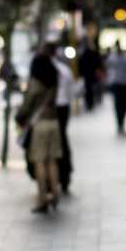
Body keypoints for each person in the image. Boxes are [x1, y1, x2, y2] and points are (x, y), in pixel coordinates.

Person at [16, 48, 63, 213]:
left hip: (40, 125)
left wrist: (20, 116)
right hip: (54, 123)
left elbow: (27, 104)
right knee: (52, 161)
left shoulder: (36, 82)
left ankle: (42, 198)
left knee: (39, 162)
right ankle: (55, 195)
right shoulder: (54, 80)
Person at [50, 43, 75, 193]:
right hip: (63, 106)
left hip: (55, 108)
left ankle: (62, 175)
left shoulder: (53, 69)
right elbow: (70, 93)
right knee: (62, 140)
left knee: (57, 142)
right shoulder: (64, 70)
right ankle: (64, 175)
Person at [105, 43, 126, 134]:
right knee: (118, 105)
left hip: (124, 83)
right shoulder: (112, 58)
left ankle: (122, 123)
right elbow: (107, 67)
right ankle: (119, 124)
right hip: (117, 84)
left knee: (124, 105)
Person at [78, 37, 103, 111]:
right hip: (89, 74)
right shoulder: (89, 53)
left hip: (89, 74)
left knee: (89, 89)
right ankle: (90, 102)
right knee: (90, 89)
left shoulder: (87, 54)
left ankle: (90, 102)